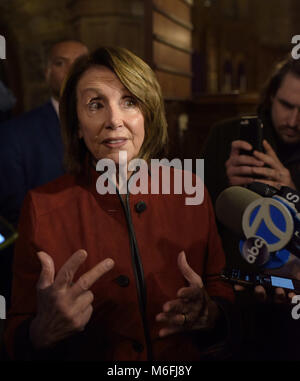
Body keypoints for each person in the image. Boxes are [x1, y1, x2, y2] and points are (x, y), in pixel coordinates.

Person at [4, 47, 236, 361]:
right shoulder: (41, 208)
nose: (115, 120)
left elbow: (219, 287)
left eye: (129, 102)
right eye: (95, 104)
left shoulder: (191, 190)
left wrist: (211, 314)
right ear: (76, 125)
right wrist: (39, 332)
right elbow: (16, 327)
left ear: (149, 114)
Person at [201, 56, 300, 360]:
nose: (293, 120)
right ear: (272, 95)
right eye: (286, 105)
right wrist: (228, 189)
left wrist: (291, 193)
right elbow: (197, 219)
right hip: (235, 296)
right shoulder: (224, 135)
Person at [0, 40, 89, 311]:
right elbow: (12, 208)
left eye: (80, 64)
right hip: (42, 271)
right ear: (47, 71)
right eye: (61, 63)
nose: (71, 70)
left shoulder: (112, 127)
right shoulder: (16, 134)